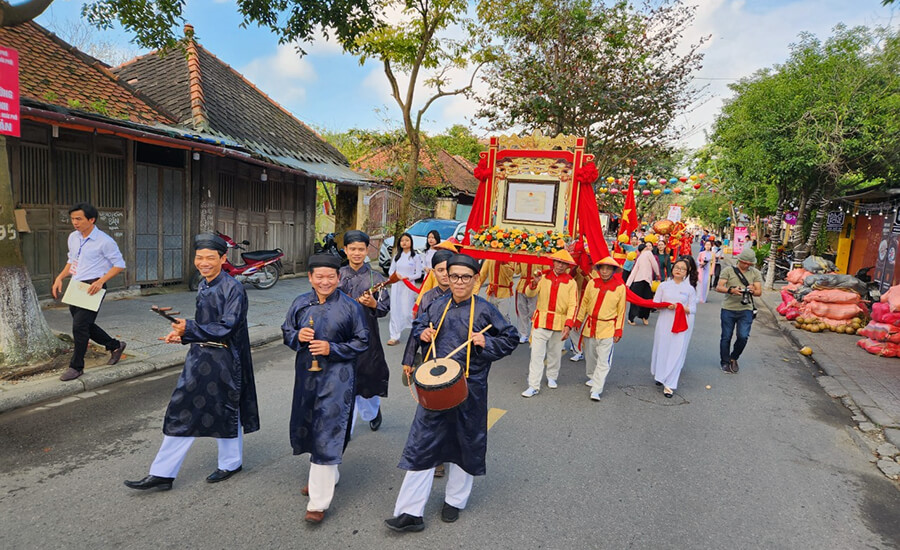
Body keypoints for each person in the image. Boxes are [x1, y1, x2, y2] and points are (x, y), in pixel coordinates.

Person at [385, 254, 519, 532]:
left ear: (475, 280)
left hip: (471, 387)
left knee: (464, 443)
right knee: (421, 443)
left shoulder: (485, 310)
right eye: (453, 275)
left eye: (465, 277)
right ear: (445, 275)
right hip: (435, 386)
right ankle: (410, 512)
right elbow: (419, 326)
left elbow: (511, 337)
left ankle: (454, 501)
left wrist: (486, 341)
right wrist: (423, 335)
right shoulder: (435, 305)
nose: (458, 281)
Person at [124, 233, 260, 491]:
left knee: (227, 409)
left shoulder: (234, 289)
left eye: (210, 257)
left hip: (225, 360)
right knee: (182, 409)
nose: (204, 262)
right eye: (199, 258)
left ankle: (230, 463)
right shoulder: (204, 283)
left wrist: (190, 328)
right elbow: (203, 325)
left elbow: (226, 327)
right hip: (200, 356)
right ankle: (163, 473)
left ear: (223, 258)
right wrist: (182, 335)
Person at [283, 254, 369, 523]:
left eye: (330, 276)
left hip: (338, 377)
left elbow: (362, 341)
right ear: (310, 278)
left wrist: (332, 348)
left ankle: (318, 502)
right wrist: (297, 336)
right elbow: (286, 330)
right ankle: (325, 474)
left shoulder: (350, 307)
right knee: (309, 425)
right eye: (319, 276)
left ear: (338, 278)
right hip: (306, 376)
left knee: (328, 427)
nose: (325, 281)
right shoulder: (300, 303)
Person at [51, 202, 127, 381]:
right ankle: (115, 345)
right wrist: (60, 277)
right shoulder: (73, 237)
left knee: (79, 327)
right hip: (77, 286)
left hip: (93, 287)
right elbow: (72, 260)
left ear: (91, 219)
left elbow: (119, 265)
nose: (75, 222)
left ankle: (76, 367)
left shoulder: (105, 241)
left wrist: (101, 281)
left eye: (79, 219)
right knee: (84, 325)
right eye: (72, 219)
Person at [339, 230, 390, 433]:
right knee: (344, 380)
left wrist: (374, 303)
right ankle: (345, 428)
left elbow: (385, 308)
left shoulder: (376, 277)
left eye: (361, 249)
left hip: (368, 335)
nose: (357, 253)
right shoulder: (337, 275)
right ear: (345, 250)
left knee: (367, 378)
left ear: (367, 250)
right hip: (342, 336)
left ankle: (372, 412)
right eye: (352, 249)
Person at [521, 250, 579, 397]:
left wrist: (568, 324)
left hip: (560, 322)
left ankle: (552, 376)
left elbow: (573, 305)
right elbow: (529, 293)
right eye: (557, 262)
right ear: (553, 262)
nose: (559, 265)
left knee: (555, 353)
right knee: (536, 354)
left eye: (563, 263)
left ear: (567, 266)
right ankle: (533, 385)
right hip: (541, 320)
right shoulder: (543, 277)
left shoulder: (571, 283)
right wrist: (533, 283)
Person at [575, 256, 627, 401]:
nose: (604, 271)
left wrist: (618, 330)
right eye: (602, 268)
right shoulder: (592, 282)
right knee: (590, 356)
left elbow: (621, 310)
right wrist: (579, 320)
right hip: (590, 325)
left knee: (603, 360)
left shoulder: (620, 287)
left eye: (608, 268)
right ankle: (592, 377)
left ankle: (597, 389)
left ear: (613, 270)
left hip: (608, 328)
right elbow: (584, 303)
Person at [650, 258, 698, 397]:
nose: (679, 270)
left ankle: (670, 384)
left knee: (676, 351)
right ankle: (660, 376)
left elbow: (693, 309)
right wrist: (665, 305)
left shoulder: (689, 289)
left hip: (680, 325)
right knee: (662, 349)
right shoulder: (664, 286)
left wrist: (680, 307)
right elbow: (655, 304)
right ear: (672, 268)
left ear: (687, 272)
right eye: (677, 267)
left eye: (683, 269)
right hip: (664, 322)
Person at [715, 247, 762, 374]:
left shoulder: (755, 273)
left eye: (749, 264)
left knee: (743, 336)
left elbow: (758, 292)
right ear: (739, 260)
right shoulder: (728, 270)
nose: (746, 265)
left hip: (746, 309)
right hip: (728, 308)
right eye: (744, 262)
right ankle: (724, 362)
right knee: (726, 337)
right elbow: (719, 287)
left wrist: (752, 290)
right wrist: (731, 290)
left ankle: (734, 357)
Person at [388, 232, 423, 345]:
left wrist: (408, 277)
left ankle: (415, 332)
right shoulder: (397, 256)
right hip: (397, 285)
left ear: (411, 242)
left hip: (408, 286)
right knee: (395, 309)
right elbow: (390, 271)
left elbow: (418, 274)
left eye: (407, 240)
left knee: (407, 311)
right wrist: (396, 276)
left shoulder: (415, 257)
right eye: (402, 240)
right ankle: (394, 336)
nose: (404, 242)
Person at [626, 244, 660, 326]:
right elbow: (654, 264)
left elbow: (634, 271)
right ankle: (644, 317)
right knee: (647, 300)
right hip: (646, 281)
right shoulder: (648, 253)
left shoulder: (639, 257)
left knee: (635, 300)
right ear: (644, 249)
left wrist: (628, 284)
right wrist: (657, 273)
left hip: (638, 281)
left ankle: (631, 318)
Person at [476, 259, 515, 325]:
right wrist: (474, 291)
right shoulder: (489, 259)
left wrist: (504, 263)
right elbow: (482, 275)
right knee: (491, 315)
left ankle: (507, 332)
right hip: (491, 292)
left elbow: (510, 274)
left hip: (504, 292)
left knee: (503, 316)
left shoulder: (510, 260)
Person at [514, 262, 538, 345]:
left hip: (535, 286)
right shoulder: (523, 258)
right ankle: (523, 334)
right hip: (522, 286)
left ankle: (534, 333)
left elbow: (545, 272)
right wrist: (517, 262)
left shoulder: (541, 256)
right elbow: (516, 271)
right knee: (522, 311)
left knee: (533, 312)